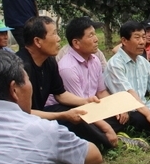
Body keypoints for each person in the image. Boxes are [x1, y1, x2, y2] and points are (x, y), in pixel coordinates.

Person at [46, 17, 126, 149]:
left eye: (95, 34)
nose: (96, 39)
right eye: (91, 35)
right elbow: (82, 109)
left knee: (123, 116)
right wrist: (106, 127)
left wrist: (115, 108)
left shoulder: (95, 60)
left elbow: (101, 92)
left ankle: (100, 135)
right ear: (76, 43)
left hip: (91, 107)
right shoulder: (67, 67)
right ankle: (109, 140)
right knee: (82, 123)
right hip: (73, 111)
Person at [15, 16, 90, 124]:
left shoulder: (50, 62)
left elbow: (60, 94)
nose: (59, 38)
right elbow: (22, 113)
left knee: (75, 112)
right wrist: (61, 116)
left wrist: (85, 101)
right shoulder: (20, 67)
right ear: (37, 41)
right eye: (54, 33)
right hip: (21, 122)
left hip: (39, 115)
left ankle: (106, 137)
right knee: (66, 115)